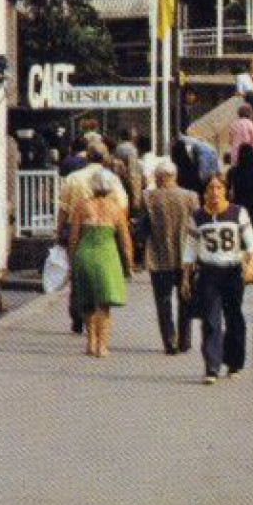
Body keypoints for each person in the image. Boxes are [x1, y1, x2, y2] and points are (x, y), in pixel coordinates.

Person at [182, 175, 253, 384]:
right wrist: (185, 278)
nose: (215, 192)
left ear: (225, 190)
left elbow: (252, 244)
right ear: (205, 192)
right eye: (210, 188)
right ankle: (212, 367)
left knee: (234, 317)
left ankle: (234, 362)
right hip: (208, 273)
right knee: (210, 319)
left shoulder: (237, 213)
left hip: (233, 272)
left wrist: (251, 265)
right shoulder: (198, 217)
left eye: (219, 187)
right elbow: (190, 249)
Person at [58, 143, 129, 333]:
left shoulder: (73, 178)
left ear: (87, 157)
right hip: (104, 229)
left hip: (77, 228)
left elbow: (63, 208)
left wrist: (58, 232)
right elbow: (122, 205)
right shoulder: (112, 179)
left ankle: (78, 316)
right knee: (102, 273)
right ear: (104, 158)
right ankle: (97, 320)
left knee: (78, 273)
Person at [69, 179, 132, 358]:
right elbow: (125, 240)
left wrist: (72, 259)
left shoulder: (81, 206)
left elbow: (73, 237)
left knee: (87, 300)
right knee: (104, 303)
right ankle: (102, 346)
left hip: (85, 254)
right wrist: (129, 264)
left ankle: (90, 343)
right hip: (107, 256)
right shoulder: (116, 209)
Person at [140, 162, 199, 355]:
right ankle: (185, 339)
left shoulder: (149, 198)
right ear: (174, 176)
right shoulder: (191, 197)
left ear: (159, 177)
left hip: (159, 256)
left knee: (163, 300)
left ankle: (170, 341)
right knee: (186, 299)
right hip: (186, 256)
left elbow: (144, 227)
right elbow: (197, 226)